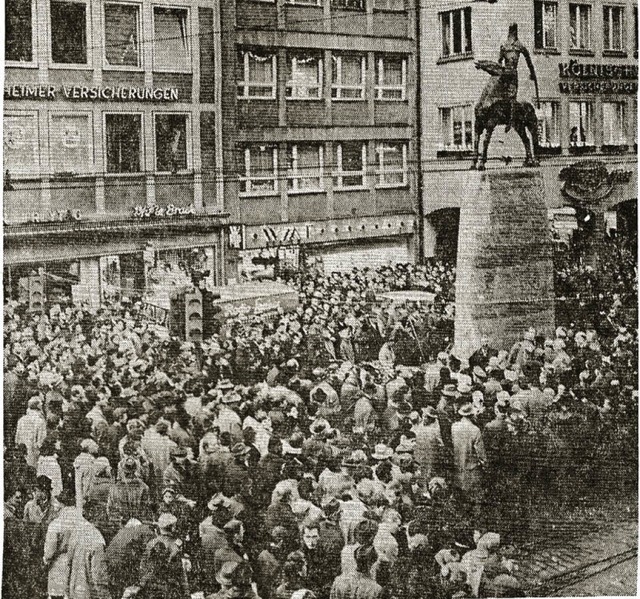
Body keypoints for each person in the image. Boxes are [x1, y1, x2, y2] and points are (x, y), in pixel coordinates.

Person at [475, 23, 537, 133]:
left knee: (505, 97)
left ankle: (505, 119)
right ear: (515, 32)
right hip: (512, 74)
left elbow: (499, 62)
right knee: (511, 98)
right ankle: (510, 121)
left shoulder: (504, 46)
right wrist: (532, 74)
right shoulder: (519, 45)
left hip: (505, 74)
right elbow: (529, 63)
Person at [451, 404, 486, 507]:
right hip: (472, 468)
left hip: (458, 466)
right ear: (471, 415)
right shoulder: (475, 430)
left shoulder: (454, 427)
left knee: (460, 498)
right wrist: (484, 464)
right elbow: (481, 453)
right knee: (473, 498)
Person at [15, 397, 47, 468]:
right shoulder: (40, 421)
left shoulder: (21, 420)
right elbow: (42, 440)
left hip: (22, 450)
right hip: (34, 451)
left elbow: (17, 438)